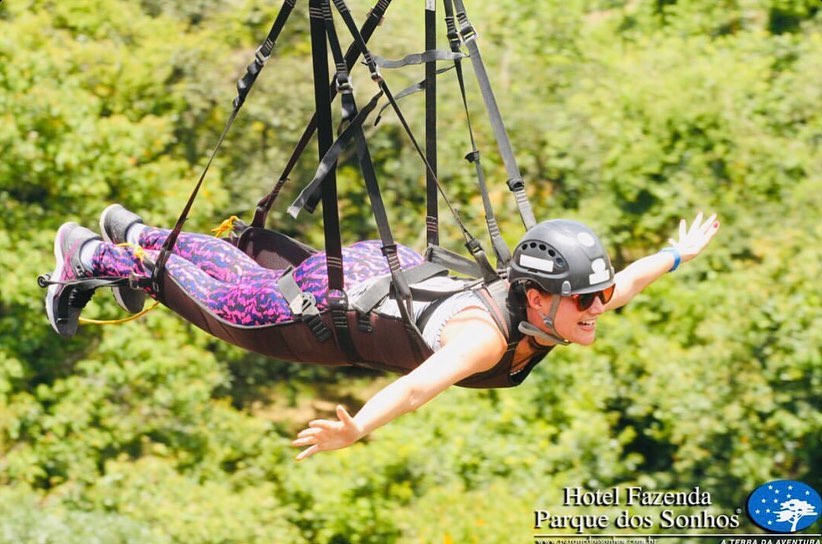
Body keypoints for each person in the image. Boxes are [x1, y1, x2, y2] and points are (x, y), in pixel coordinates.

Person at [42, 205, 719, 460]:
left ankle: (137, 231)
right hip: (339, 302)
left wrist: (677, 254)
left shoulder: (554, 310)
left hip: (385, 268)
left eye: (596, 297)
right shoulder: (484, 337)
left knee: (247, 276)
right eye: (583, 301)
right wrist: (357, 429)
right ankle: (91, 254)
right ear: (537, 299)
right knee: (229, 309)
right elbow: (418, 388)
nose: (598, 307)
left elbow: (629, 280)